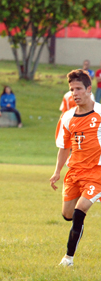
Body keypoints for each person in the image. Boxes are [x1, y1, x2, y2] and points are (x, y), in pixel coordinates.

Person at [50, 69, 101, 267]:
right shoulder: (67, 117)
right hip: (74, 173)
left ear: (89, 90)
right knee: (68, 215)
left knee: (80, 212)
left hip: (96, 173)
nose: (75, 93)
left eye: (79, 88)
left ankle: (68, 258)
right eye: (72, 89)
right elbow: (64, 147)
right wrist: (57, 172)